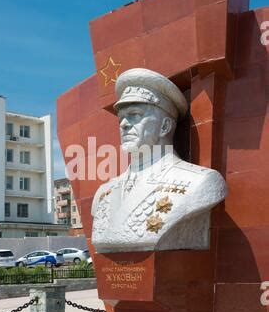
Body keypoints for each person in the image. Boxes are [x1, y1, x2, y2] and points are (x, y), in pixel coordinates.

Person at [91, 68, 227, 253]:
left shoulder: (200, 182)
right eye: (122, 117)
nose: (123, 124)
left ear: (165, 126)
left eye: (135, 115)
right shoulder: (103, 193)